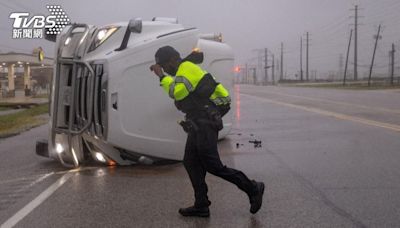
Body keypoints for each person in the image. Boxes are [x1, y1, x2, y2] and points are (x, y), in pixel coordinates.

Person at [150, 46, 264, 217]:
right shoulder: (183, 70)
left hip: (206, 121)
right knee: (190, 162)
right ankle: (201, 204)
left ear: (173, 59)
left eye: (165, 66)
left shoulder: (186, 68)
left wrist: (161, 77)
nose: (165, 69)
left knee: (212, 165)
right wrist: (164, 77)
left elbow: (177, 93)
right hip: (198, 121)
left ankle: (253, 188)